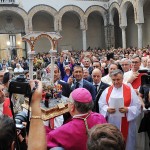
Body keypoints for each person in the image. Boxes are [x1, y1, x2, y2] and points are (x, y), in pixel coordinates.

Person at [99, 69, 141, 150]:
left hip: (126, 123)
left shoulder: (130, 90)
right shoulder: (107, 90)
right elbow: (101, 104)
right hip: (111, 122)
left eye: (118, 79)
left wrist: (128, 109)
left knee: (127, 144)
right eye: (113, 80)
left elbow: (137, 106)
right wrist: (107, 109)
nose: (116, 82)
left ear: (122, 79)